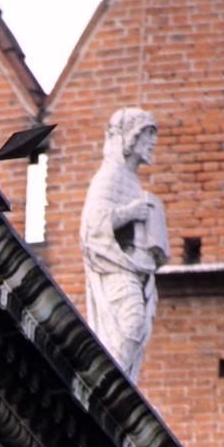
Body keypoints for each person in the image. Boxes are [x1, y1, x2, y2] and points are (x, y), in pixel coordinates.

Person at [80, 108, 169, 381]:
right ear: (130, 139)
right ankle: (112, 385)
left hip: (137, 268)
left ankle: (122, 382)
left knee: (137, 327)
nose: (152, 143)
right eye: (146, 136)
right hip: (116, 267)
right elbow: (94, 226)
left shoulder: (132, 180)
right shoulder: (109, 177)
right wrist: (130, 212)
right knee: (130, 323)